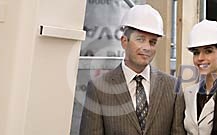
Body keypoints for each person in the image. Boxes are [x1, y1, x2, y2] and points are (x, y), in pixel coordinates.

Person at [79, 4, 185, 135]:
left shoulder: (173, 87)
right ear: (124, 41)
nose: (147, 47)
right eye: (140, 39)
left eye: (152, 42)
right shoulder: (98, 88)